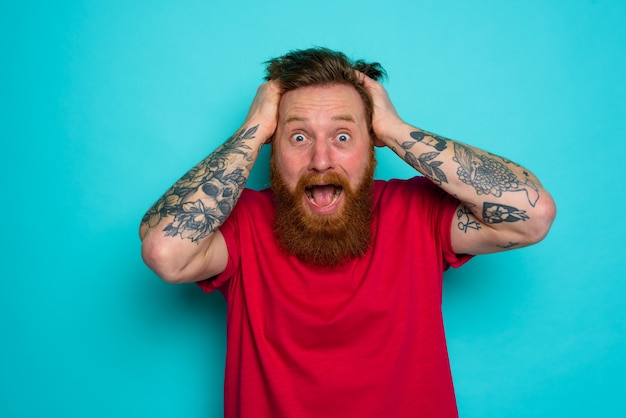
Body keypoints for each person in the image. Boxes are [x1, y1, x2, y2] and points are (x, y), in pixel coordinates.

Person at [139, 47, 556, 417]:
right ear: (272, 144)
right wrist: (255, 127)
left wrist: (394, 128)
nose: (321, 159)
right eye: (297, 136)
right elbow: (164, 252)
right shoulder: (242, 223)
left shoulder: (416, 212)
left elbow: (531, 215)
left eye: (343, 136)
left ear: (372, 143)